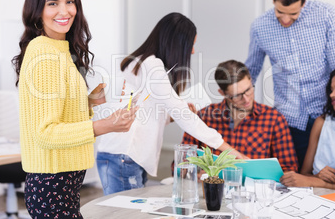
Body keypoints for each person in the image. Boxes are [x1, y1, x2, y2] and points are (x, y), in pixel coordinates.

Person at [12, 0, 137, 218]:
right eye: (53, 3)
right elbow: (46, 133)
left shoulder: (61, 50)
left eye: (70, 2)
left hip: (63, 184)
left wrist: (89, 100)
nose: (65, 11)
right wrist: (106, 125)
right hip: (52, 186)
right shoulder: (45, 54)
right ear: (37, 9)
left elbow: (64, 115)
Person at [96, 12, 248, 195]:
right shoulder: (153, 67)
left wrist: (173, 117)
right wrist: (227, 149)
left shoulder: (141, 62)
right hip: (124, 156)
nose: (192, 51)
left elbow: (143, 116)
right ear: (177, 43)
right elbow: (179, 111)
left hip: (122, 155)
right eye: (191, 45)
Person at [245, 0, 335, 170]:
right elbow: (251, 70)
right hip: (289, 119)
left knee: (327, 178)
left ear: (304, 3)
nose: (285, 19)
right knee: (293, 179)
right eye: (280, 12)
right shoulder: (260, 26)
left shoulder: (326, 15)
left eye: (293, 14)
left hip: (327, 115)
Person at [181, 60, 298, 172]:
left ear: (251, 81)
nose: (246, 99)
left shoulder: (273, 119)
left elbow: (288, 170)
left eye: (248, 90)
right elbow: (180, 165)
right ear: (222, 93)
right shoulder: (203, 117)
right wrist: (196, 174)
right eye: (237, 96)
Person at [280, 65, 335, 194]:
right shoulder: (322, 123)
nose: (332, 95)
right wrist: (317, 176)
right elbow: (305, 174)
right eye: (331, 90)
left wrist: (314, 181)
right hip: (318, 197)